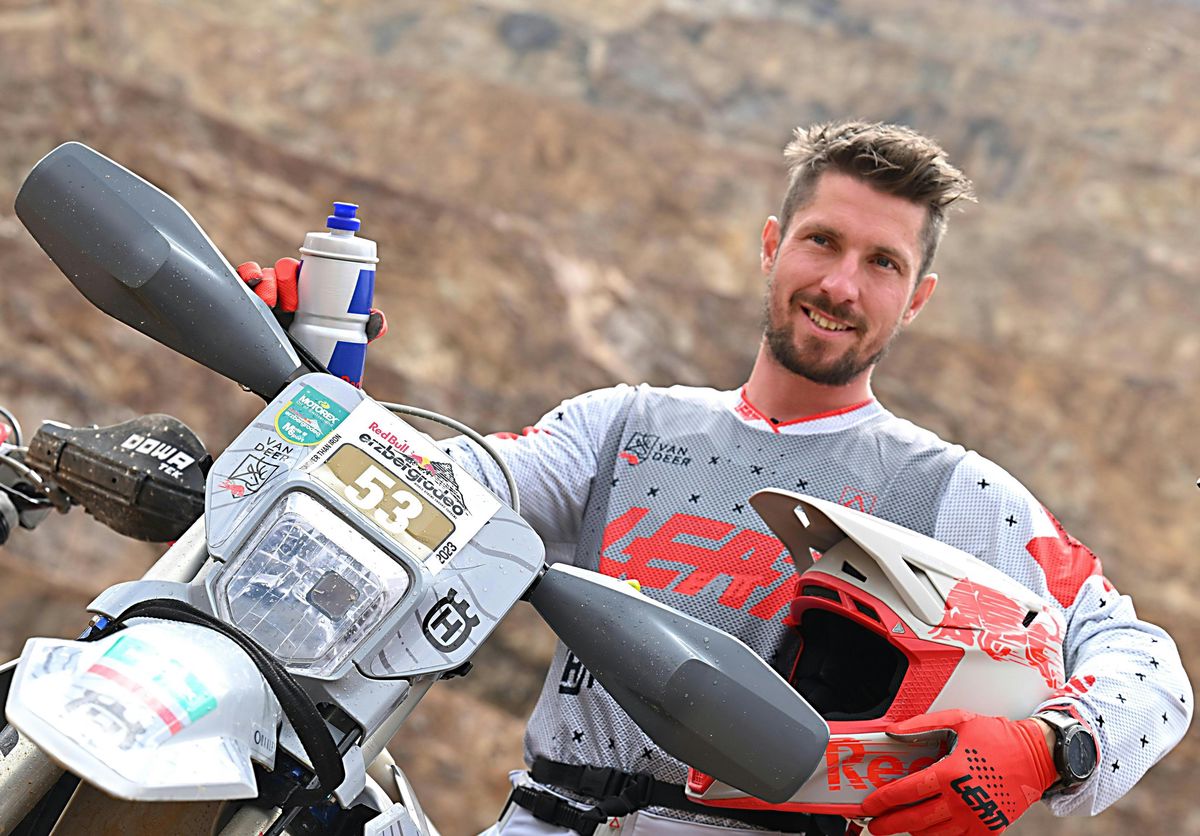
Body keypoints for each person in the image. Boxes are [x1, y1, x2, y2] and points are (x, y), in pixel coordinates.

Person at [239, 121, 1192, 835]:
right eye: (822, 242)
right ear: (772, 244)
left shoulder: (953, 492)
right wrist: (311, 388)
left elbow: (1142, 661)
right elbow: (433, 496)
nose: (842, 285)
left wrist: (1055, 744)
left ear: (918, 299)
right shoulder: (623, 428)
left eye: (883, 263)